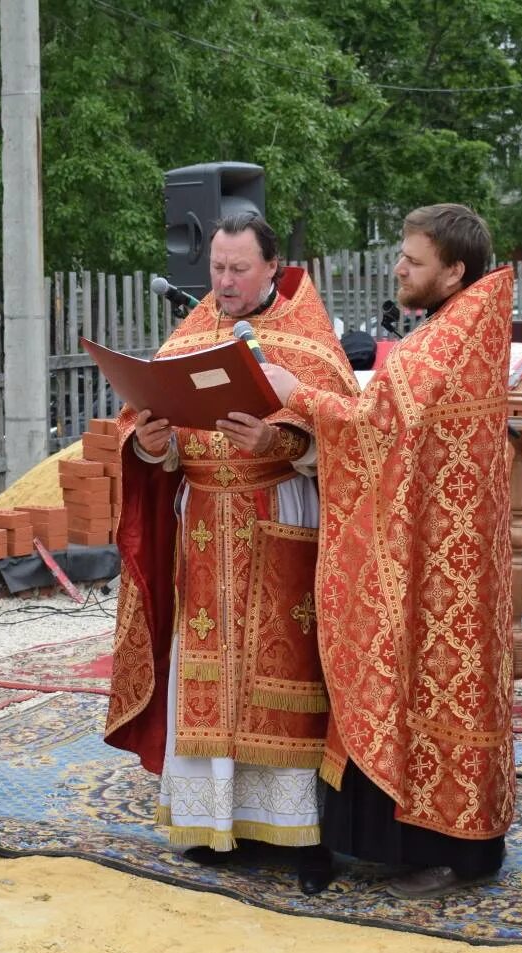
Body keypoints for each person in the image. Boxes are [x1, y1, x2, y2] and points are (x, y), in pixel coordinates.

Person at [261, 204, 516, 899]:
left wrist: (300, 397)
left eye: (413, 259)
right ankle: (442, 844)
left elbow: (376, 424)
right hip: (445, 546)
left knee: (430, 684)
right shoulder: (460, 326)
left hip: (439, 559)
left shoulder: (448, 334)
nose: (398, 267)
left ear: (454, 271)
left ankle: (442, 849)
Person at [104, 213, 358, 895]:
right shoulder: (194, 331)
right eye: (216, 268)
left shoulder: (311, 340)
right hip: (205, 525)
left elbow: (351, 437)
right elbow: (143, 426)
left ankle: (303, 833)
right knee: (208, 671)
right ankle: (218, 824)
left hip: (281, 517)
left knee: (290, 671)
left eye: (238, 269)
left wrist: (285, 444)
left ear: (272, 267)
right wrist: (153, 442)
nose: (223, 282)